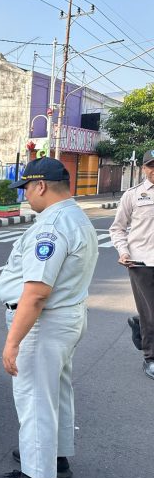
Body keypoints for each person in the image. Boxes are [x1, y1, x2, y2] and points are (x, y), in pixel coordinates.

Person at [0, 157, 97, 478]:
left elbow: (35, 293)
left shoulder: (51, 227)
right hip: (67, 318)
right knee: (57, 391)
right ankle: (55, 455)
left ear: (40, 186)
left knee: (35, 397)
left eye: (26, 189)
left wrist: (12, 342)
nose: (26, 197)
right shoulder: (77, 216)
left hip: (43, 322)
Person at [108, 151, 154, 380]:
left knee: (150, 312)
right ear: (144, 168)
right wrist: (123, 252)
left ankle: (139, 323)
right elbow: (117, 228)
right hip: (142, 262)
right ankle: (151, 358)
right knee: (152, 313)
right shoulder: (134, 195)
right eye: (150, 166)